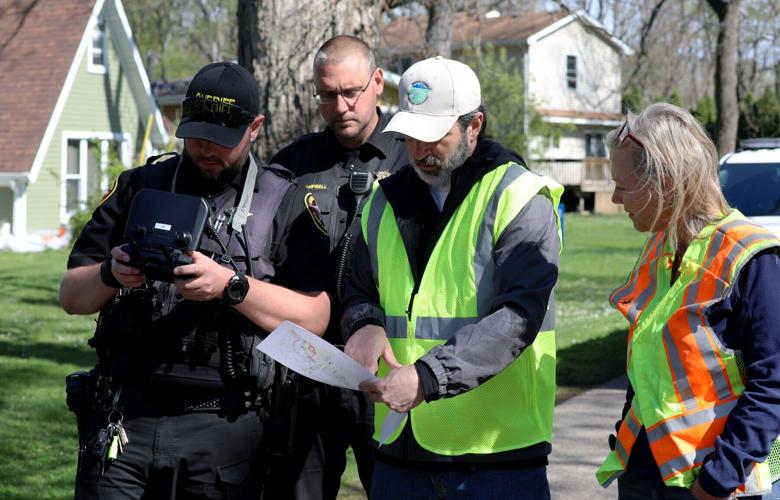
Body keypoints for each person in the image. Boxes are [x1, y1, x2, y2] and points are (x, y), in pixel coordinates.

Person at [59, 62, 330, 499]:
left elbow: (315, 316)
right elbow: (71, 295)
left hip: (226, 431)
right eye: (197, 135)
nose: (206, 149)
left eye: (222, 140)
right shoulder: (138, 187)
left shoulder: (286, 202)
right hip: (125, 419)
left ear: (255, 127)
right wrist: (112, 273)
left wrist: (231, 286)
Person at [341, 56, 563, 499]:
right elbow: (359, 289)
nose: (420, 150)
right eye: (409, 136)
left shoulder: (519, 197)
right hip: (398, 452)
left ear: (474, 125)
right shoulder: (382, 203)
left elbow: (520, 315)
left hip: (497, 456)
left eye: (434, 136)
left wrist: (428, 377)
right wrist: (363, 323)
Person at [595, 103, 780, 499]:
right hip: (647, 475)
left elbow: (773, 385)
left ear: (665, 182)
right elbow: (650, 363)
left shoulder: (751, 257)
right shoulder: (658, 250)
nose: (613, 198)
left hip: (721, 485)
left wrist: (714, 483)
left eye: (623, 186)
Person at [262, 35, 409, 500]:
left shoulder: (413, 157)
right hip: (308, 372)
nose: (341, 105)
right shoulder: (291, 164)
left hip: (385, 368)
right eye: (328, 95)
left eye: (352, 92)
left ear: (378, 83)